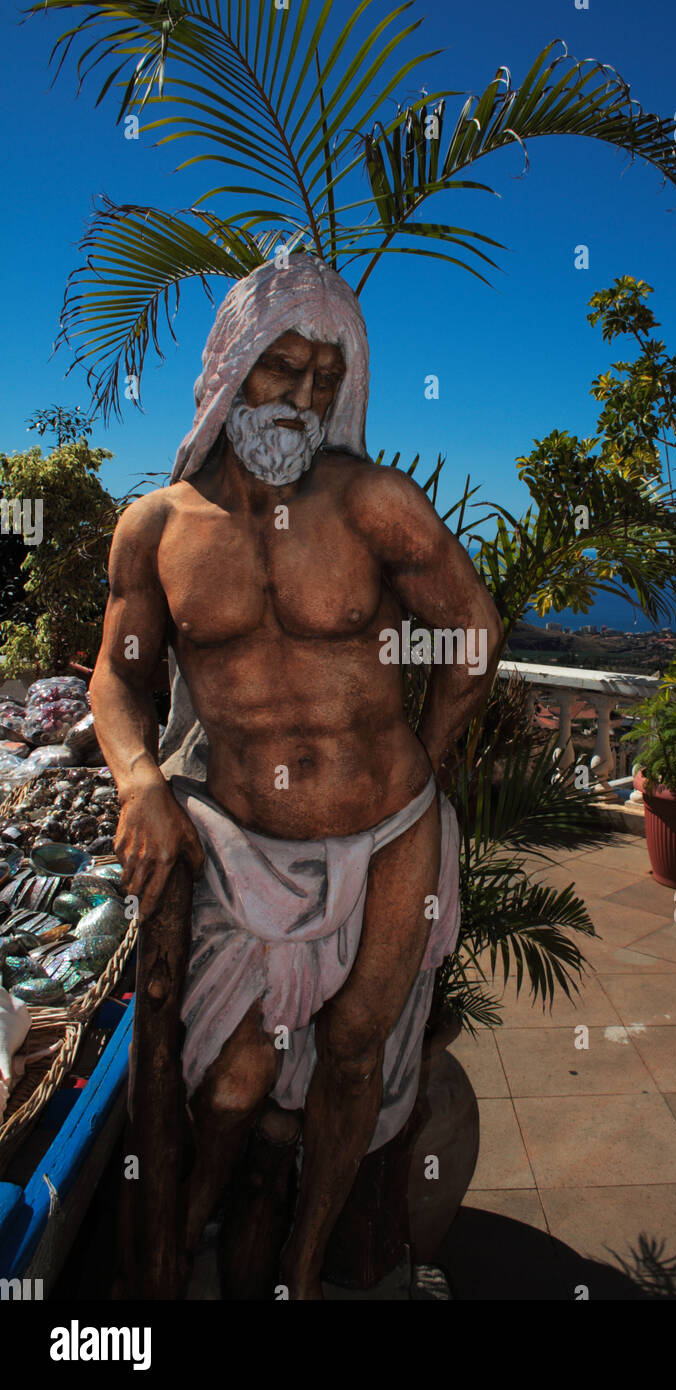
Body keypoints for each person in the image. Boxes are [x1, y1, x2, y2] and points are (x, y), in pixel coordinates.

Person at [90, 255, 503, 1300]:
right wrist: (139, 778)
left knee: (356, 1053)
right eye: (283, 368)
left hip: (390, 832)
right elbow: (115, 675)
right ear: (230, 366)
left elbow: (470, 629)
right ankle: (178, 1244)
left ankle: (307, 1273)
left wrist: (427, 770)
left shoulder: (370, 502)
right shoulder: (159, 527)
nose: (306, 398)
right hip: (239, 847)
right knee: (232, 1074)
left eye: (328, 375)